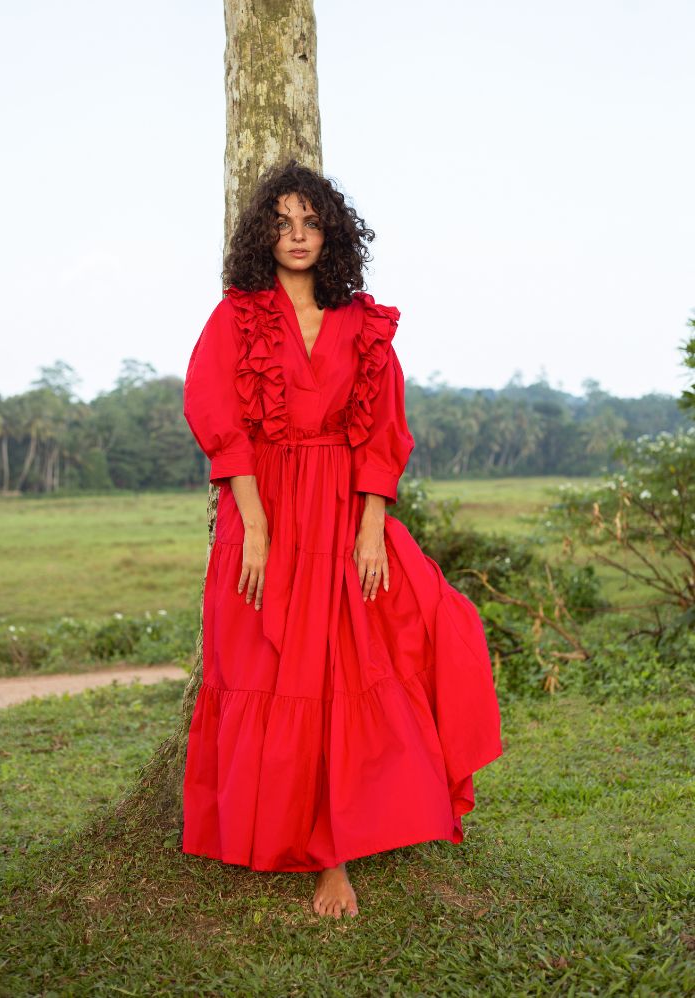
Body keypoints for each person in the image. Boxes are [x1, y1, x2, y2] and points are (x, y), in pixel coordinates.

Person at [181, 159, 503, 920]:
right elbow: (218, 420)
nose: (297, 235)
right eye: (283, 221)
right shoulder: (238, 317)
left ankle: (335, 858)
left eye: (312, 221)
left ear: (333, 233)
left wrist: (369, 531)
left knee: (361, 661)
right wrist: (254, 528)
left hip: (340, 516)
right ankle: (267, 831)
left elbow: (382, 435)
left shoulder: (364, 323)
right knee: (263, 664)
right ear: (264, 233)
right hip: (259, 514)